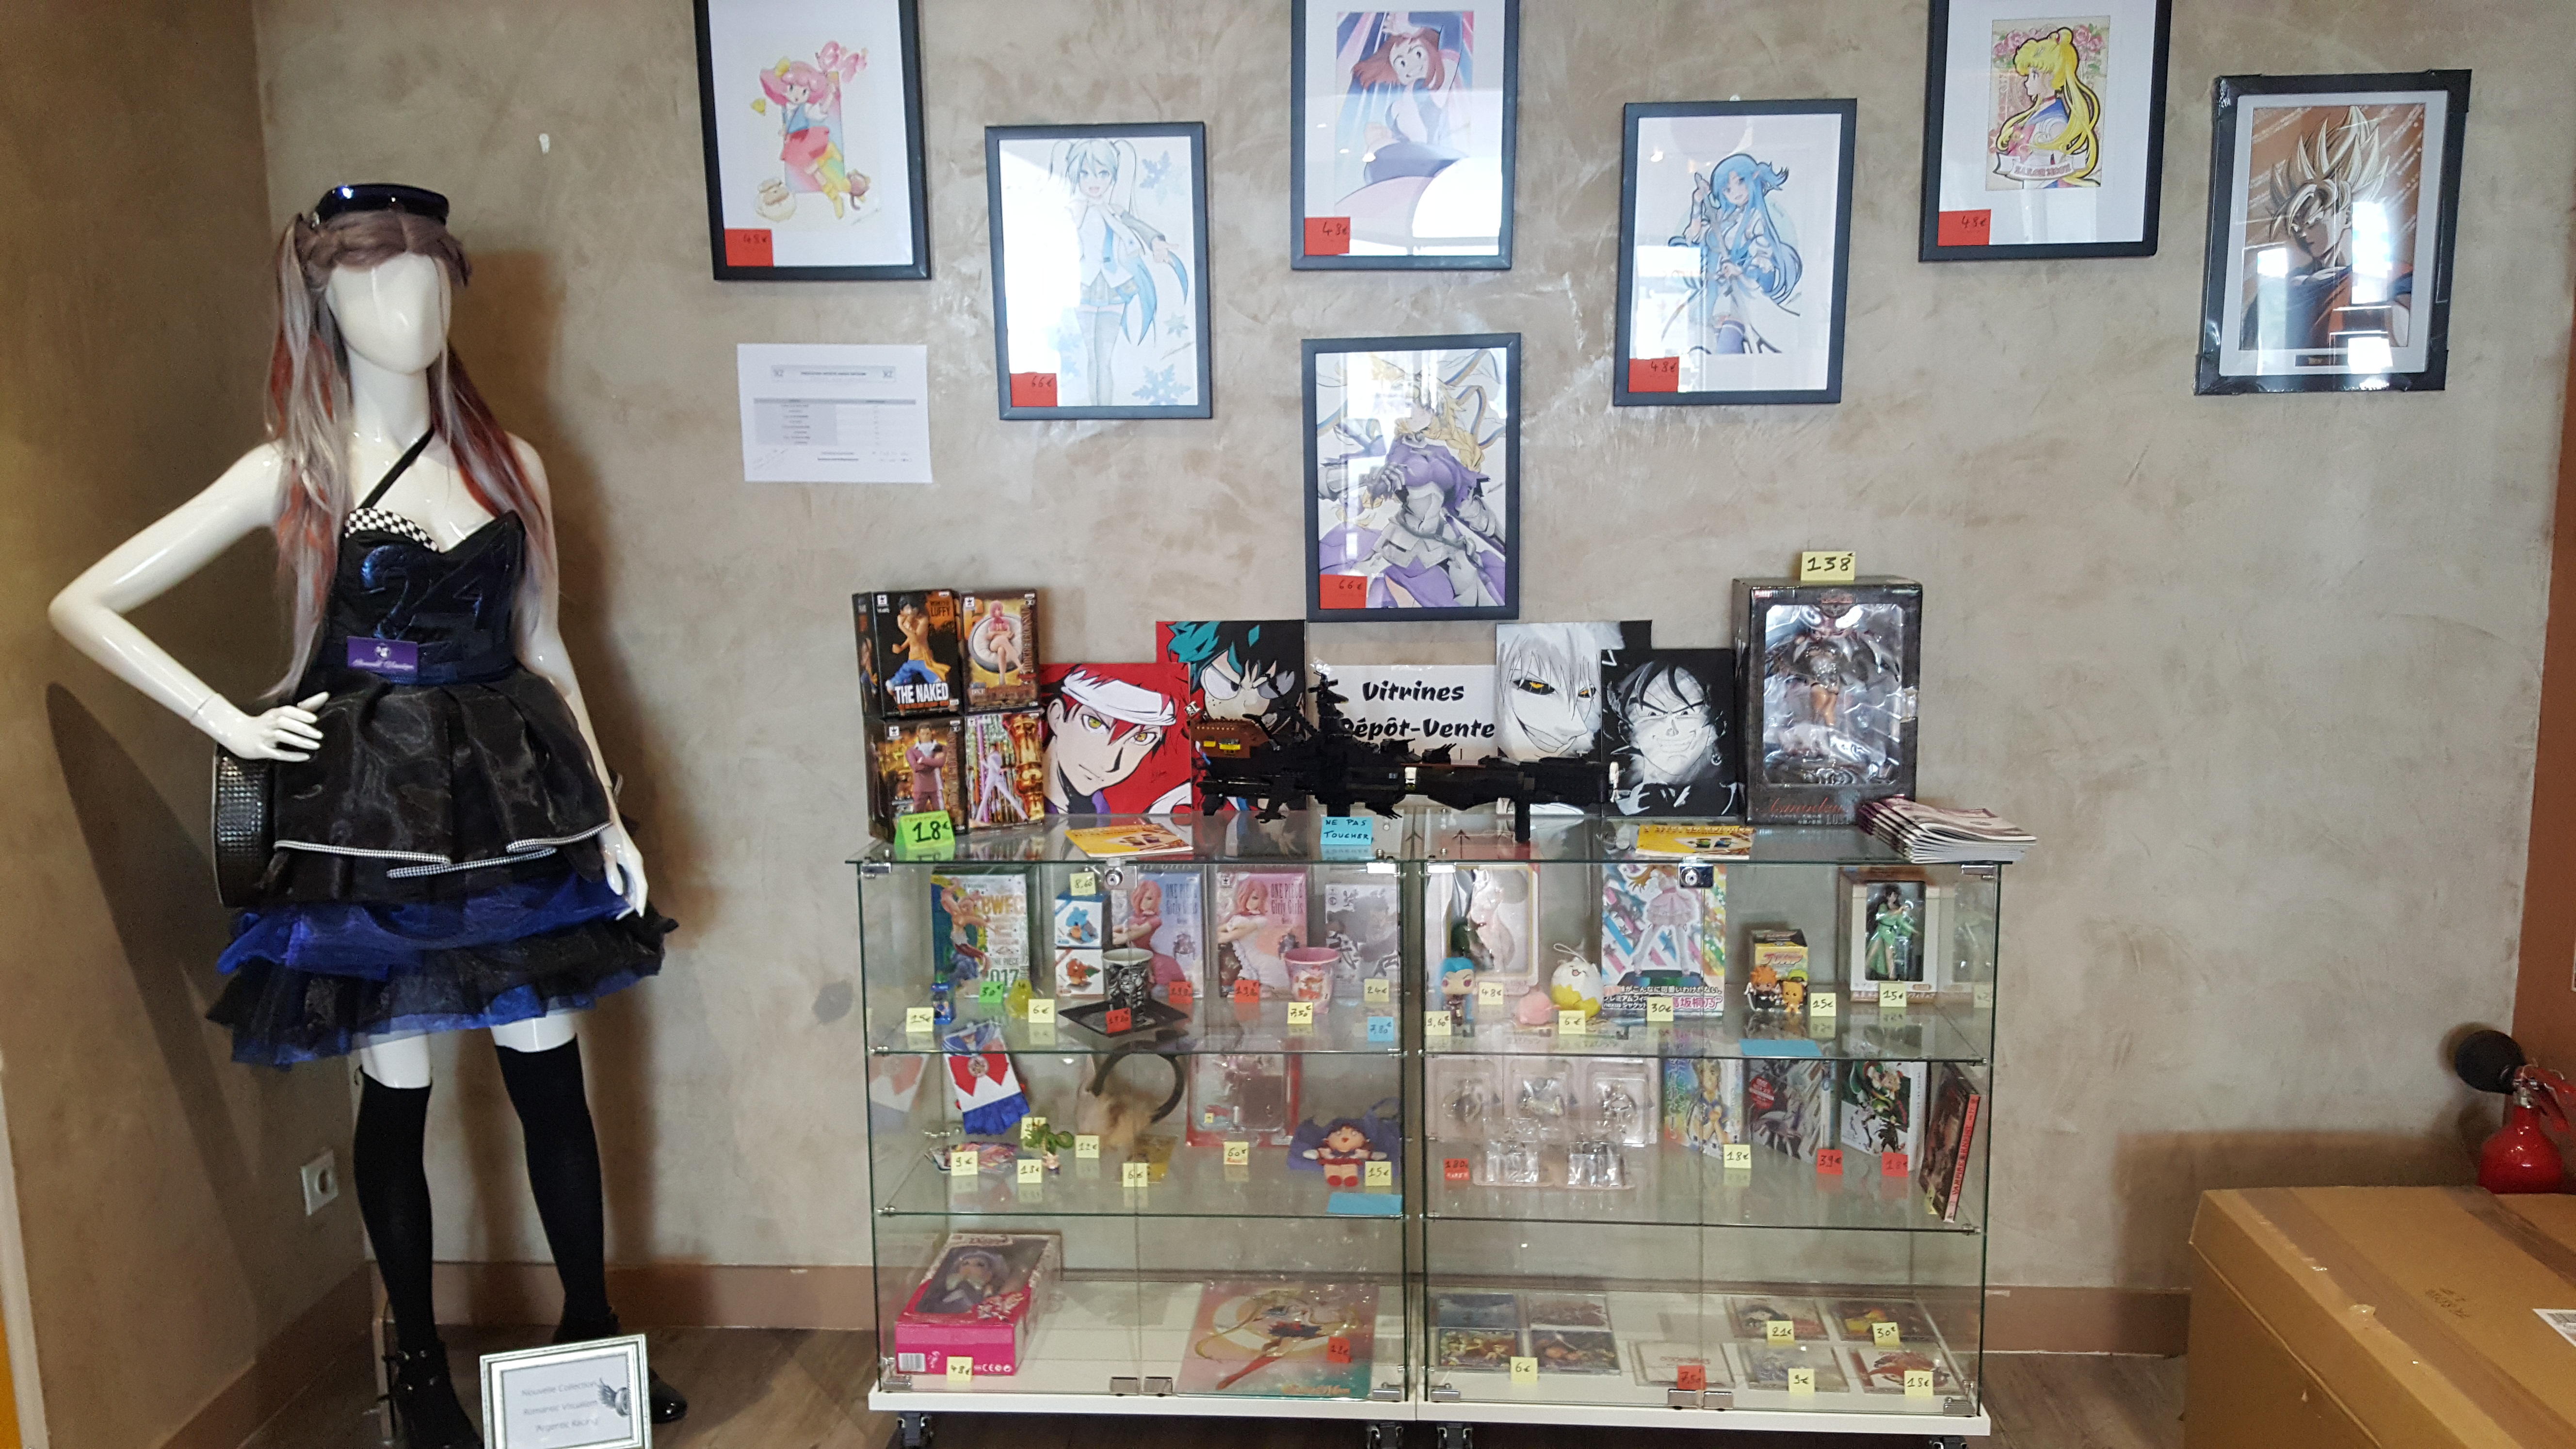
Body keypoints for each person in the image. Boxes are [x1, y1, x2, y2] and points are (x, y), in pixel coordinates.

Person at [46, 183, 682, 1445]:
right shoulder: (294, 470)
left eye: (432, 273)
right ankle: (420, 1371)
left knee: (550, 1075)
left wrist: (606, 812)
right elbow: (84, 604)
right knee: (399, 1082)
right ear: (321, 302)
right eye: (377, 277)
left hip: (511, 798)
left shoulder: (511, 465)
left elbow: (545, 646)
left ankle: (592, 1344)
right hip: (371, 810)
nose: (414, 301)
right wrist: (230, 721)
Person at [1992, 27, 2102, 187]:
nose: (2027, 82)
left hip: (2048, 188)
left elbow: (2062, 169)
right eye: (2028, 75)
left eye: (2034, 75)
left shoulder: (2056, 123)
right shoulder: (2037, 113)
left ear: (2051, 77)